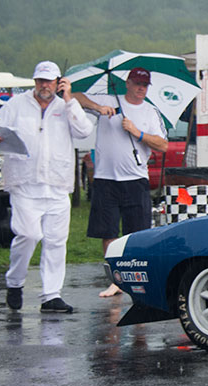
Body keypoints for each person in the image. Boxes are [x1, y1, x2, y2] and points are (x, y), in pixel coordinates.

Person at [0, 61, 93, 312]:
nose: (44, 86)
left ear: (58, 82)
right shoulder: (16, 104)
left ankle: (51, 295)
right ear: (35, 81)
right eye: (40, 81)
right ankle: (15, 282)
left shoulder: (65, 106)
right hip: (24, 182)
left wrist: (70, 100)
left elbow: (84, 131)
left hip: (57, 184)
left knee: (56, 241)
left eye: (49, 81)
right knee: (28, 234)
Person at [73, 67, 169, 298]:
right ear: (127, 83)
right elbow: (75, 96)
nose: (140, 89)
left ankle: (136, 278)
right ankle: (116, 279)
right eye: (137, 84)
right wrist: (97, 108)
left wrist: (137, 132)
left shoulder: (149, 111)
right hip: (106, 179)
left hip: (135, 179)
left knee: (136, 233)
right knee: (108, 232)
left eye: (145, 85)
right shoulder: (108, 100)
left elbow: (163, 145)